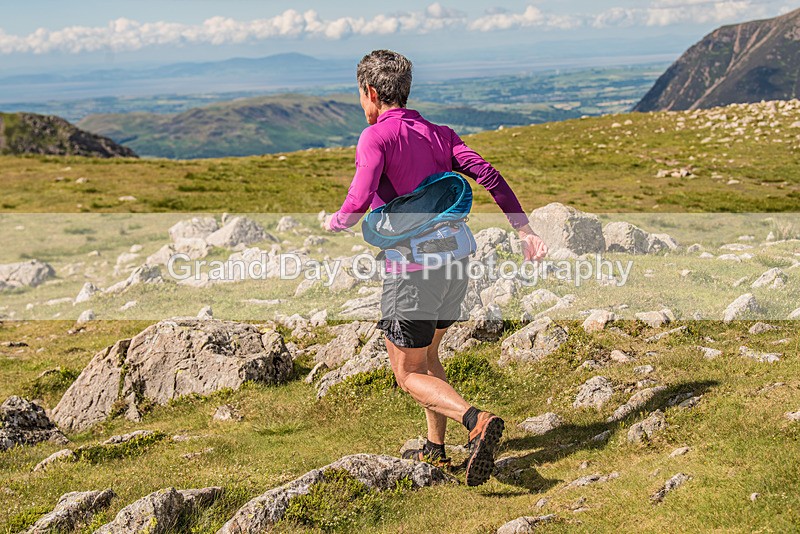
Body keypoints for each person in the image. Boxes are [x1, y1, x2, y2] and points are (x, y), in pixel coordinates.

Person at [323, 49, 548, 486]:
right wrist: (524, 230)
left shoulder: (375, 137)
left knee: (407, 373)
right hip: (456, 262)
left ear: (370, 92)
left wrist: (336, 222)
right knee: (427, 357)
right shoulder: (441, 134)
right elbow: (489, 175)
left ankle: (476, 421)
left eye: (360, 95)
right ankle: (434, 448)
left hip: (411, 270)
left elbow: (357, 201)